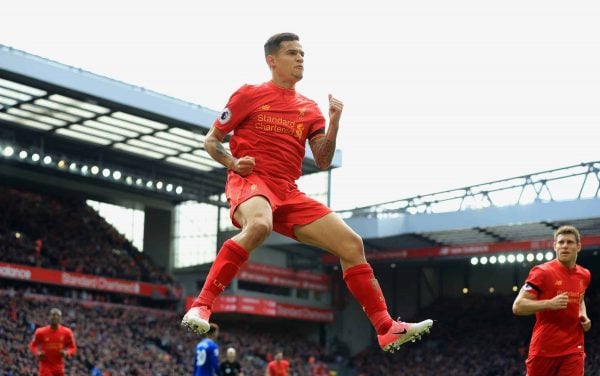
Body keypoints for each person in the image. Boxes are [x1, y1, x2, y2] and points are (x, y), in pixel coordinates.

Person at [181, 31, 433, 352]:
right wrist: (232, 161)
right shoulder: (248, 94)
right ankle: (202, 305)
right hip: (252, 179)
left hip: (288, 191)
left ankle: (386, 328)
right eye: (292, 53)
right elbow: (210, 140)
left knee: (351, 244)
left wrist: (334, 123)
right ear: (272, 61)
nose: (300, 58)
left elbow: (323, 160)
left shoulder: (309, 108)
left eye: (302, 53)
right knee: (259, 225)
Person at [512, 225, 592, 375]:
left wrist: (584, 316)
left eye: (569, 242)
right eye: (561, 242)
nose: (565, 246)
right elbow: (518, 306)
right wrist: (549, 303)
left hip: (574, 348)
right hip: (544, 349)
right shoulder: (541, 272)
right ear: (555, 246)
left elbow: (579, 298)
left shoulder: (584, 275)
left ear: (578, 246)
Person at [28, 308, 77, 376]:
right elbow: (32, 346)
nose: (55, 317)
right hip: (45, 366)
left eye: (58, 315)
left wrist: (66, 352)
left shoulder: (67, 332)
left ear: (61, 318)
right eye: (53, 315)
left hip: (59, 367)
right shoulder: (40, 332)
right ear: (49, 317)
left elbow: (73, 348)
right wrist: (37, 353)